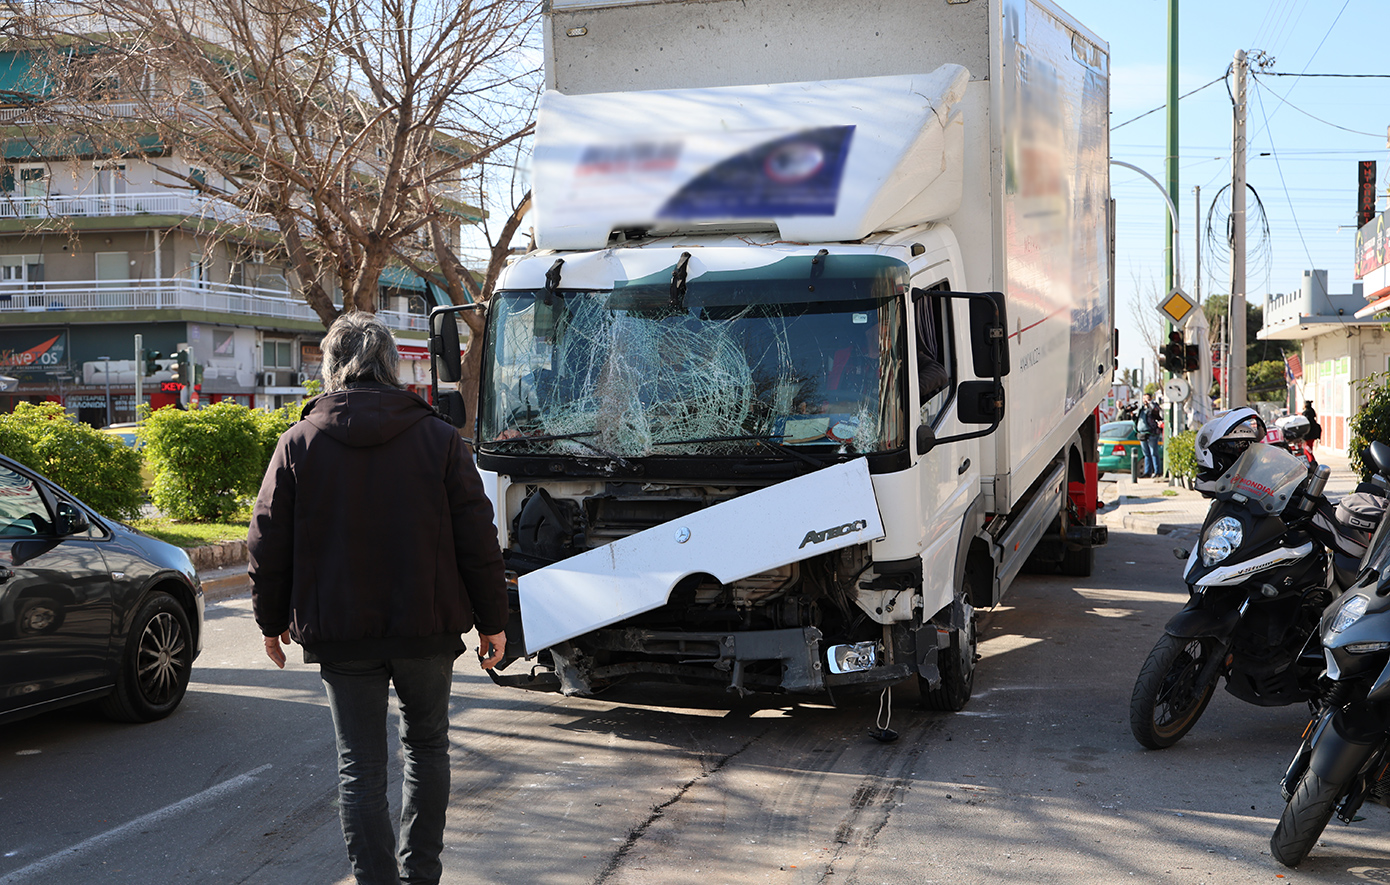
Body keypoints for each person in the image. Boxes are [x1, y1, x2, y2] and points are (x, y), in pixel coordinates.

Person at [249, 312, 508, 885]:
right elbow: (477, 536)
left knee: (360, 767)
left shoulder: (298, 442)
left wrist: (270, 620)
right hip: (427, 626)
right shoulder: (439, 438)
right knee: (427, 748)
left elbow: (267, 539)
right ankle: (421, 876)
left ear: (331, 365)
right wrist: (494, 619)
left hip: (341, 631)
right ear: (391, 365)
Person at [1135, 393, 1163, 479]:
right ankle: (1147, 472)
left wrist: (1150, 402)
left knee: (1153, 453)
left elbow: (1156, 411)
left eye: (1147, 398)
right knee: (1146, 454)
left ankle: (1157, 471)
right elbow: (1137, 419)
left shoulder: (1153, 406)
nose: (1145, 400)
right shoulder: (1142, 409)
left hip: (1152, 432)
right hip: (1142, 433)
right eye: (1144, 399)